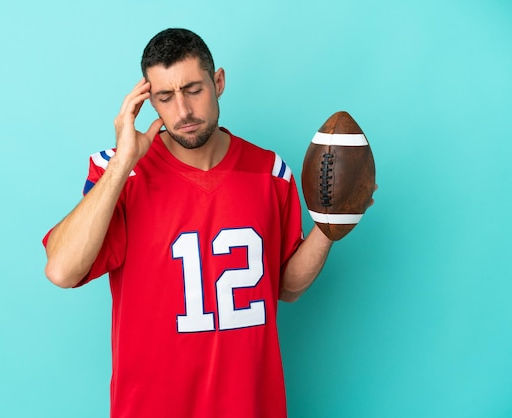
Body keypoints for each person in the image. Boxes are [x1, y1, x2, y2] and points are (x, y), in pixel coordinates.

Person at [43, 28, 336, 418]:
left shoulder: (269, 172)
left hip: (250, 407)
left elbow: (285, 287)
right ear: (148, 102)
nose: (182, 112)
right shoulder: (118, 173)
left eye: (193, 90)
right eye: (165, 97)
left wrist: (331, 226)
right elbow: (61, 270)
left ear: (218, 82)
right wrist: (122, 165)